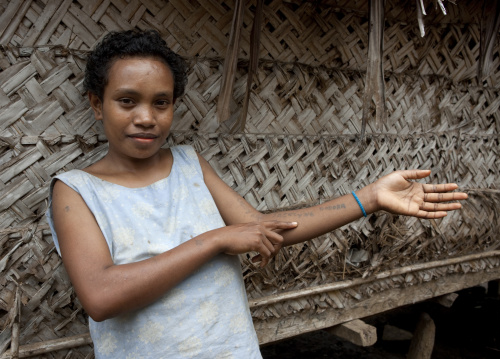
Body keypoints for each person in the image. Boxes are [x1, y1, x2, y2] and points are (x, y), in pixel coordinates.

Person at [46, 30, 467, 358]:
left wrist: (368, 198)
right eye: (126, 101)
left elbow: (264, 229)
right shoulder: (76, 191)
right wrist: (215, 239)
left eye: (162, 102)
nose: (146, 117)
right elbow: (100, 296)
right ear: (96, 104)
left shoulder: (190, 165)